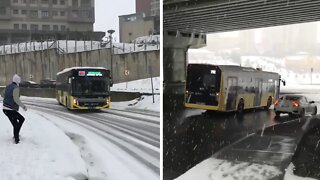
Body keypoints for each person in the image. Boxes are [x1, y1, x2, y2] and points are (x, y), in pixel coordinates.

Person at [1, 74, 27, 144]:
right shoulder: (16, 88)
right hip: (10, 109)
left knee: (15, 123)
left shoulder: (8, 86)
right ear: (18, 81)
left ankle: (16, 136)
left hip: (5, 108)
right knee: (21, 120)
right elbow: (16, 99)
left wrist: (8, 97)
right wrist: (23, 106)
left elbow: (2, 94)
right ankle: (16, 139)